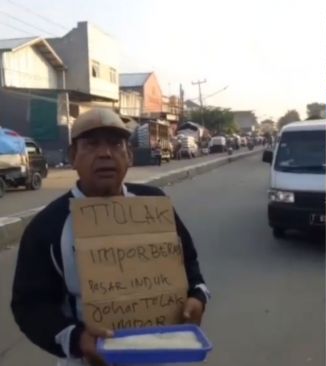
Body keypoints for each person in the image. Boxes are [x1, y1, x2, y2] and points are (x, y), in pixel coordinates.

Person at [11, 108, 211, 366]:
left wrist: (198, 296)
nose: (105, 153)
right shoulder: (48, 226)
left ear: (128, 154)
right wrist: (76, 339)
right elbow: (29, 305)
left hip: (165, 356)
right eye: (92, 144)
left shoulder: (155, 204)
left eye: (115, 144)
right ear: (73, 156)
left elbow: (190, 264)